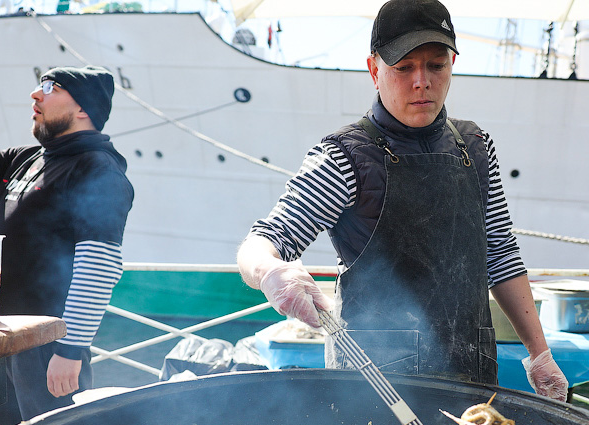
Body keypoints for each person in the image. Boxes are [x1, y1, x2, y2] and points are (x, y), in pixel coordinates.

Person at [237, 0, 568, 401]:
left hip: (472, 378)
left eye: (436, 64)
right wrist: (271, 271)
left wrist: (540, 353)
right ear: (374, 69)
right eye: (404, 67)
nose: (422, 82)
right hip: (373, 391)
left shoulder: (476, 147)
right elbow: (267, 237)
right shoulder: (345, 156)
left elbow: (499, 253)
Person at [0, 40, 134, 425]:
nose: (34, 94)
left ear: (82, 108)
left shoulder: (99, 169)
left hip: (45, 346)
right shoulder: (27, 157)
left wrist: (71, 349)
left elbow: (100, 264)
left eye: (49, 88)